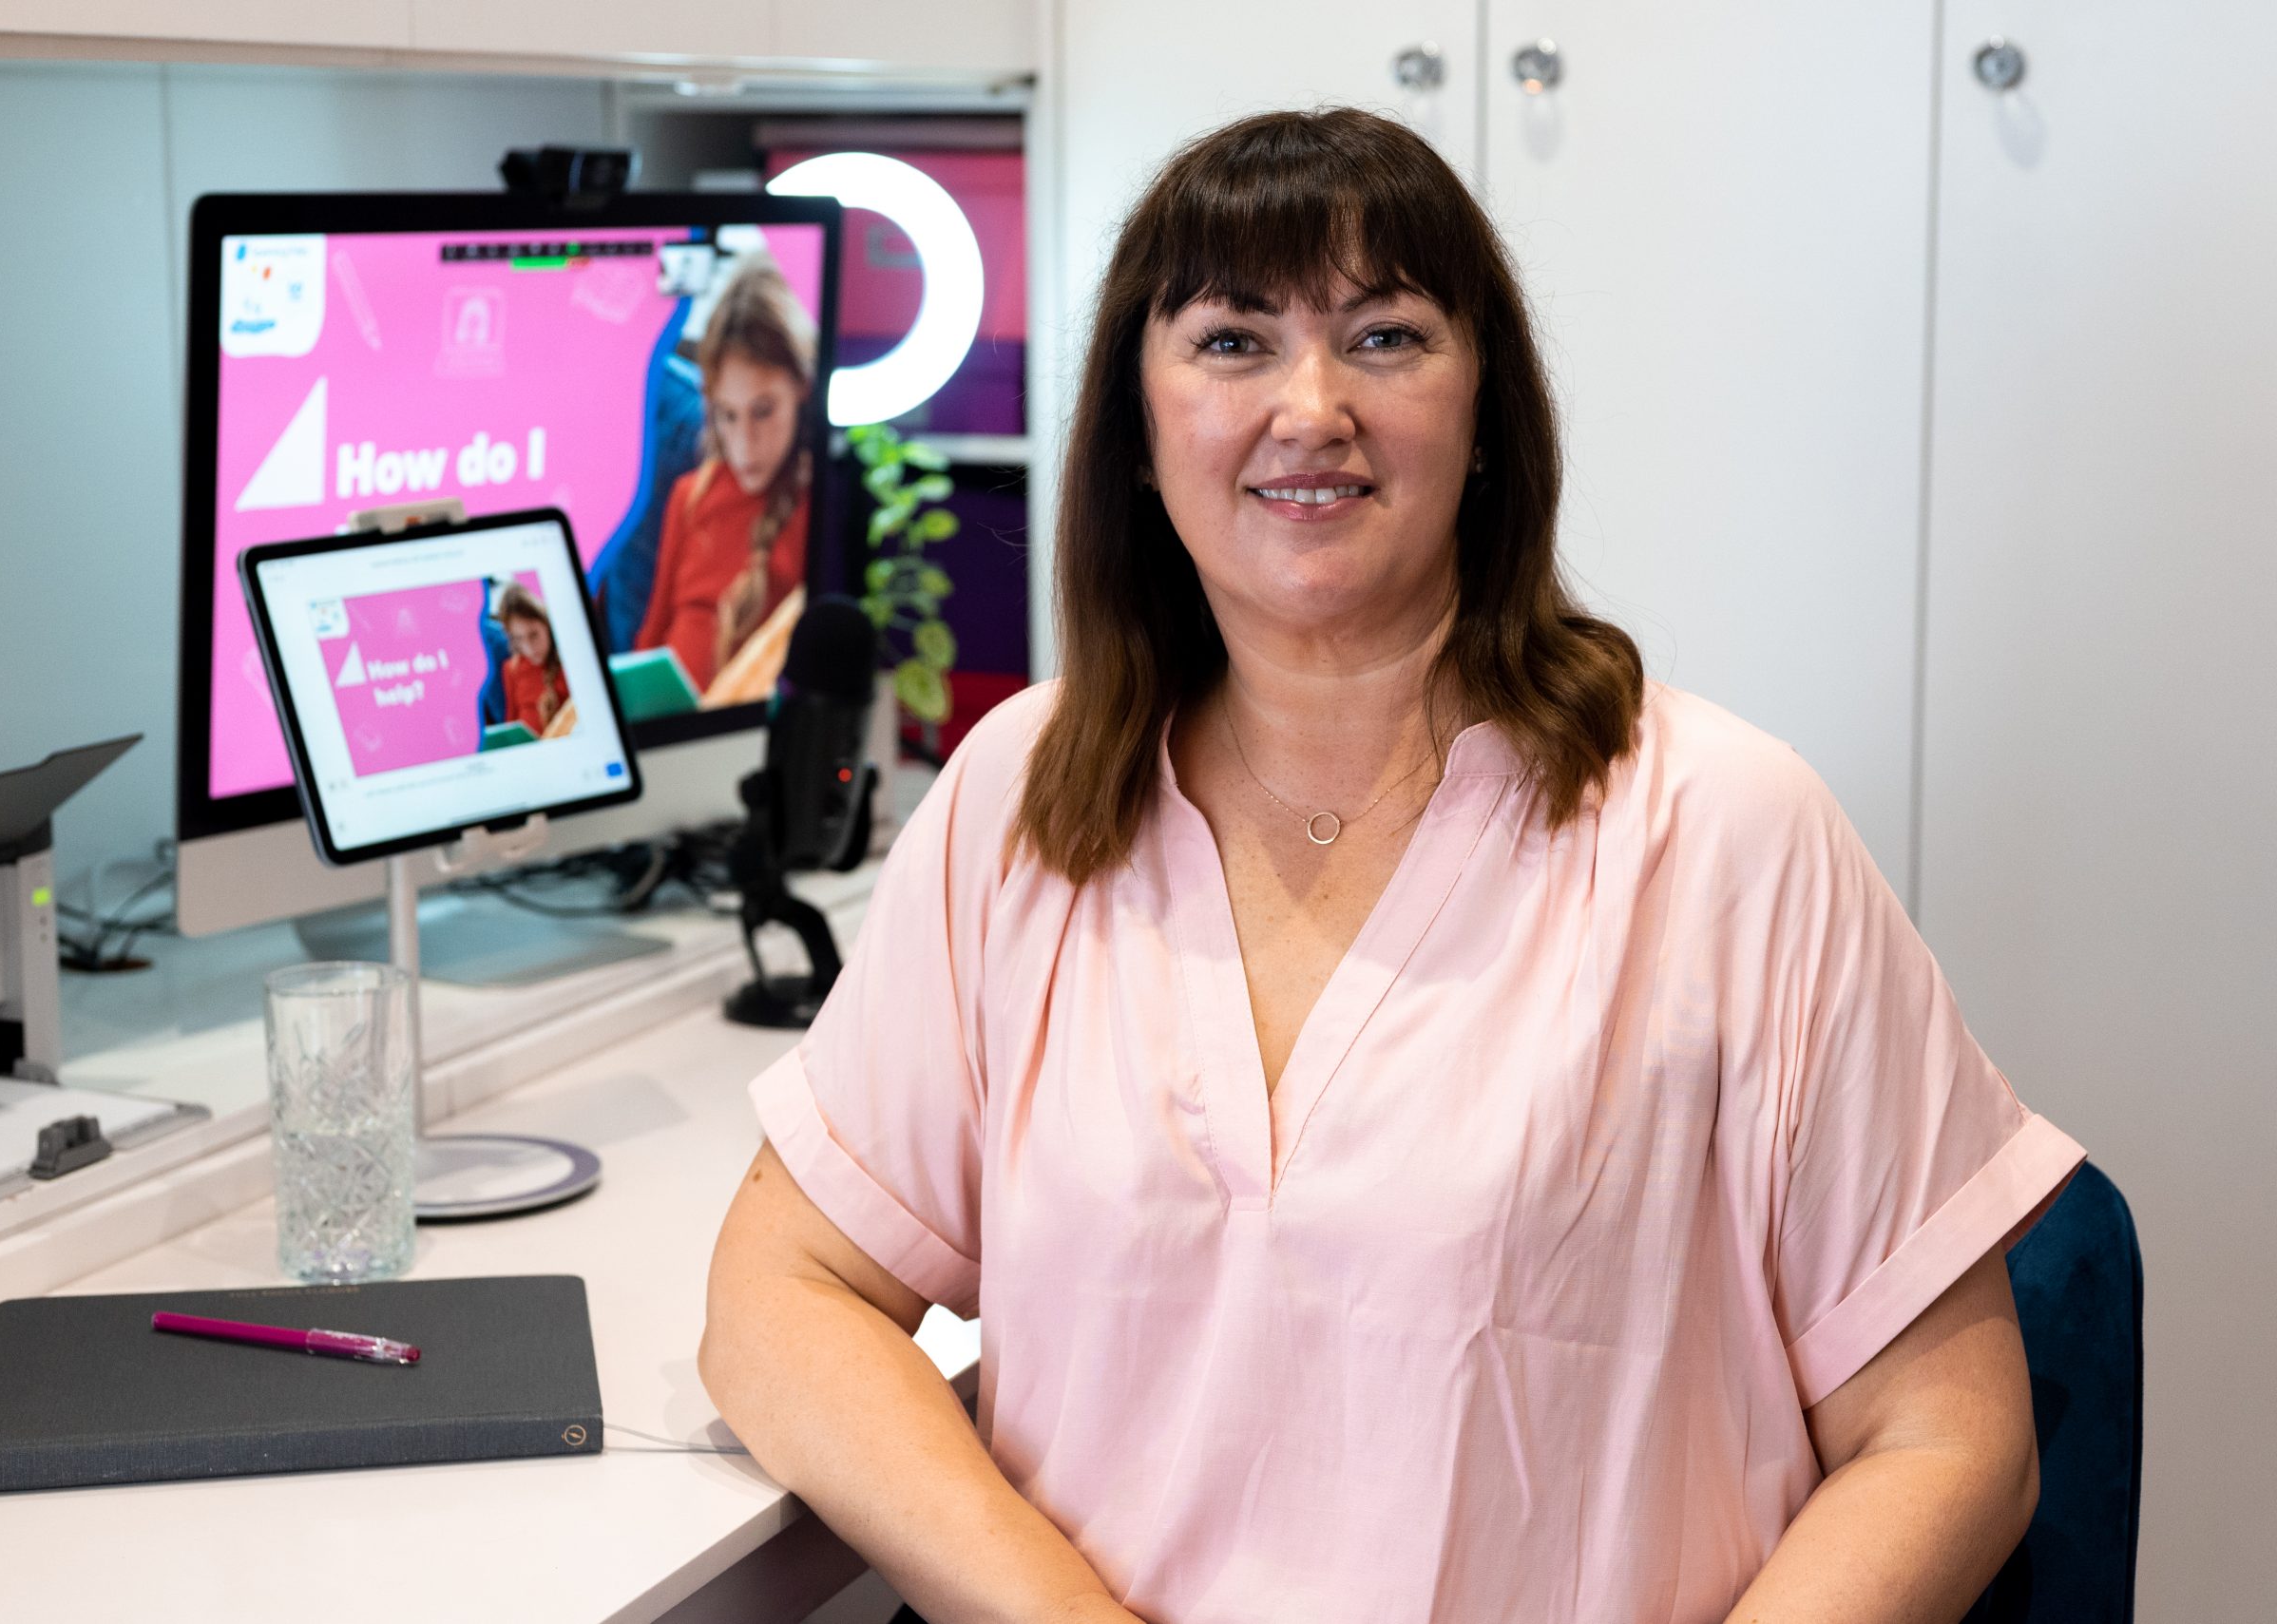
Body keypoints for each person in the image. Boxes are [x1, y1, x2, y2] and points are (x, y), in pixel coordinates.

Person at [700, 108, 2085, 1624]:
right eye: (1233, 340)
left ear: (1486, 418)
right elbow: (783, 1296)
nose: (1311, 406)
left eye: (1385, 336)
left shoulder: (1728, 829)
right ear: (1139, 432)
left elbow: (1950, 1440)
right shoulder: (1023, 798)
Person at [633, 252, 815, 693]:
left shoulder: (814, 504)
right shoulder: (689, 494)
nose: (744, 444)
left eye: (763, 411)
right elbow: (651, 640)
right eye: (727, 415)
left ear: (802, 390)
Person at [494, 580, 567, 738]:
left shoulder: (568, 662)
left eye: (534, 635)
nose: (529, 649)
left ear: (547, 624)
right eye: (519, 639)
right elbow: (511, 725)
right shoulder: (511, 668)